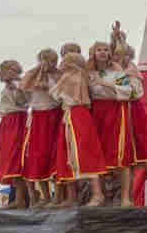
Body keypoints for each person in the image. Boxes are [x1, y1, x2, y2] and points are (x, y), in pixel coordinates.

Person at [50, 46, 110, 205]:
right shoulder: (80, 75)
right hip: (73, 114)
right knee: (69, 153)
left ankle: (96, 195)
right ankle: (75, 197)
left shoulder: (73, 76)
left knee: (83, 152)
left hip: (77, 114)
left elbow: (55, 94)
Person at [112, 42, 147, 206]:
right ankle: (127, 197)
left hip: (133, 110)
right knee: (125, 155)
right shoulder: (116, 70)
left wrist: (114, 85)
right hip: (120, 111)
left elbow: (132, 93)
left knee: (142, 150)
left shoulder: (130, 71)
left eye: (119, 55)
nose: (116, 58)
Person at [87, 41, 134, 206]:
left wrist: (104, 83)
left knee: (120, 153)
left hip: (114, 110)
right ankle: (98, 195)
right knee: (96, 154)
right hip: (95, 112)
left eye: (105, 50)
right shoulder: (89, 72)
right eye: (99, 49)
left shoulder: (117, 71)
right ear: (93, 53)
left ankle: (126, 197)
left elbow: (127, 91)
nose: (102, 52)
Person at [19, 48, 62, 207]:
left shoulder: (58, 75)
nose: (47, 63)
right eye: (43, 59)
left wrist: (48, 81)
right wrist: (39, 70)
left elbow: (60, 93)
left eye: (50, 60)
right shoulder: (33, 74)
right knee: (38, 156)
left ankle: (58, 195)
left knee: (55, 156)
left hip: (54, 114)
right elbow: (23, 86)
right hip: (37, 115)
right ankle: (44, 196)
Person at [0, 60, 31, 208]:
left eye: (2, 70)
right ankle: (16, 198)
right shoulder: (8, 86)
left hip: (16, 123)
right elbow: (11, 107)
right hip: (8, 121)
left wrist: (16, 90)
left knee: (15, 159)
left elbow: (23, 103)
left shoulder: (18, 84)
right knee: (8, 159)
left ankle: (19, 199)